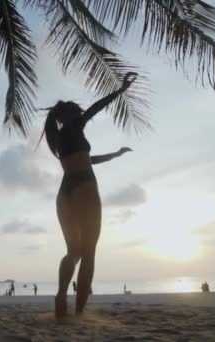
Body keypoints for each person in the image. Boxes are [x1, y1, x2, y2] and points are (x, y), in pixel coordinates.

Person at [40, 72, 137, 318]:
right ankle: (80, 314)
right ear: (70, 115)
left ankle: (61, 295)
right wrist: (121, 90)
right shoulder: (75, 125)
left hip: (65, 191)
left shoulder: (59, 139)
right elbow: (96, 107)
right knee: (89, 253)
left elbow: (88, 159)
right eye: (77, 112)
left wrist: (114, 155)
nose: (80, 115)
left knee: (73, 252)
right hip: (84, 186)